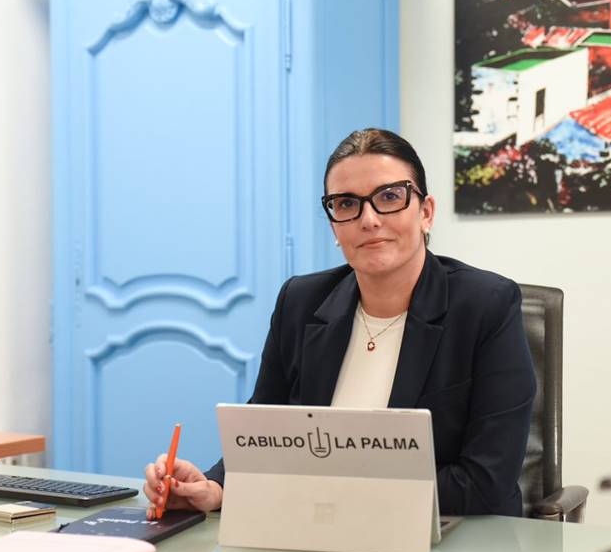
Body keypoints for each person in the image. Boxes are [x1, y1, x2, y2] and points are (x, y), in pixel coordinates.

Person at [144, 128, 536, 518]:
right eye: (347, 204)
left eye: (389, 197)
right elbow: (264, 434)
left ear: (426, 212)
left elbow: (487, 480)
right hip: (316, 527)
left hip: (452, 535)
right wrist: (214, 488)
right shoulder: (300, 302)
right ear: (334, 225)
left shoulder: (486, 305)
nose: (369, 219)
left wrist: (331, 490)